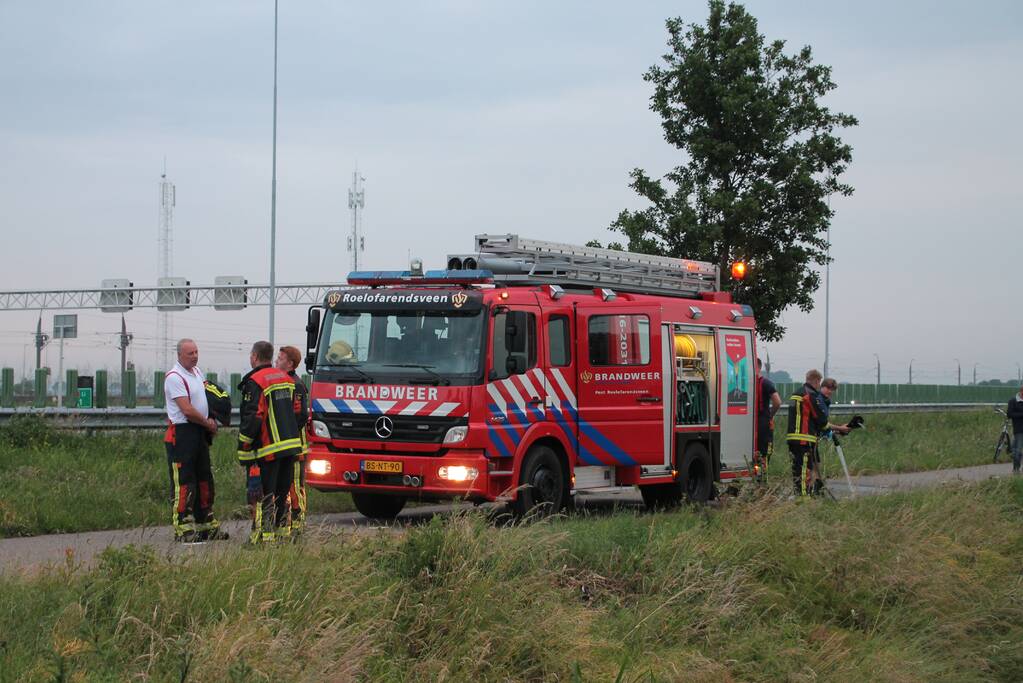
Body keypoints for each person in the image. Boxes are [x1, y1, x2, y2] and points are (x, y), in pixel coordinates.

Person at [237, 341, 304, 544]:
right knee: (282, 493)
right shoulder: (287, 379)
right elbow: (298, 413)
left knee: (264, 495)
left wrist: (243, 445)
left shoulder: (256, 381)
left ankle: (263, 539)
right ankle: (281, 534)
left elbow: (254, 417)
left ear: (255, 357)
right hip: (289, 447)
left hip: (267, 449)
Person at [164, 339, 228, 542]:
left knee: (204, 479)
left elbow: (205, 398)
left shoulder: (197, 373)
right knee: (184, 482)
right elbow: (187, 410)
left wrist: (214, 418)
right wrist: (207, 423)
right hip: (182, 434)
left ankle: (206, 525)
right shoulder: (174, 377)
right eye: (190, 353)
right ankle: (182, 528)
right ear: (180, 355)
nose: (195, 356)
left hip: (199, 433)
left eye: (196, 352)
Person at [275, 345, 310, 533]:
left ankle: (298, 522)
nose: (276, 361)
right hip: (287, 445)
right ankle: (289, 521)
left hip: (297, 447)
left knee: (295, 485)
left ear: (290, 364)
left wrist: (288, 434)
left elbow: (300, 415)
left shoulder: (295, 384)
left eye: (280, 358)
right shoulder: (282, 381)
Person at [785, 369, 830, 497]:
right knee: (805, 471)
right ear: (816, 380)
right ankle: (804, 499)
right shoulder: (810, 395)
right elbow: (820, 419)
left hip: (793, 438)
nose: (819, 385)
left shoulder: (796, 393)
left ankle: (799, 494)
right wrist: (829, 428)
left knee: (797, 470)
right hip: (804, 439)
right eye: (819, 382)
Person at [754, 358, 781, 480]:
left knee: (756, 453)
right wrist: (771, 415)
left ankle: (758, 477)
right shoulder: (766, 383)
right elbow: (777, 402)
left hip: (751, 422)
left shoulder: (744, 383)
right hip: (763, 423)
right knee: (763, 453)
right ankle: (761, 480)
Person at [1007, 384, 1023, 473]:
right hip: (1019, 429)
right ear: (1021, 391)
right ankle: (1016, 469)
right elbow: (1009, 414)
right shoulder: (1013, 401)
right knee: (1018, 450)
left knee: (1017, 449)